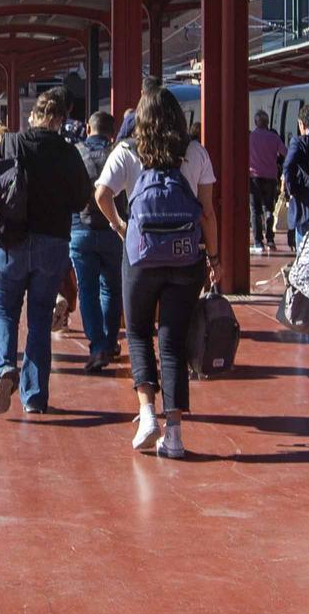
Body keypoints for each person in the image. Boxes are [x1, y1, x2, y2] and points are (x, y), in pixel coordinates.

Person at [93, 82, 221, 460]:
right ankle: (176, 434)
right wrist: (215, 259)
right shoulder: (195, 151)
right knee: (173, 340)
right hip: (186, 258)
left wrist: (120, 226)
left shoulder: (127, 151)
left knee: (137, 333)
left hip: (140, 257)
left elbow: (101, 194)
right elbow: (208, 212)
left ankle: (147, 414)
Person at [0, 87, 90, 415]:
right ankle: (33, 396)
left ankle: (4, 369)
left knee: (4, 312)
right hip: (52, 244)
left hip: (11, 244)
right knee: (40, 320)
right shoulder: (69, 153)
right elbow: (80, 200)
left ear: (33, 115)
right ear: (60, 119)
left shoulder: (11, 143)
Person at [70, 110, 124, 371]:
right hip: (113, 230)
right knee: (111, 289)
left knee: (87, 291)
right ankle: (111, 341)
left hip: (80, 230)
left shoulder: (75, 153)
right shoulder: (118, 152)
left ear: (88, 129)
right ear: (111, 132)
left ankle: (98, 346)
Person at [281, 105, 309, 253]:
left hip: (305, 205)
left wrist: (292, 191)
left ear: (302, 124)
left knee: (304, 251)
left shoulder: (300, 142)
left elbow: (288, 166)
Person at [248, 109, 285, 254]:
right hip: (271, 177)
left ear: (256, 122)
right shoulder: (273, 137)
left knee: (255, 210)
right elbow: (285, 152)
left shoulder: (250, 137)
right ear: (268, 122)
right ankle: (270, 238)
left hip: (254, 177)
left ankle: (258, 242)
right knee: (268, 207)